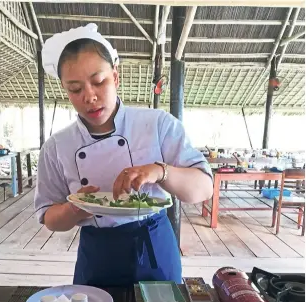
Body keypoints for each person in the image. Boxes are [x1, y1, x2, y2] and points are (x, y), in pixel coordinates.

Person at [35, 24, 213, 287]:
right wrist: (75, 208)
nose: (90, 96)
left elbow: (203, 189)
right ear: (65, 90)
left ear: (115, 78)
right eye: (75, 89)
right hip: (97, 252)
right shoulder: (57, 146)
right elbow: (49, 217)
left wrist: (160, 171)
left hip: (154, 244)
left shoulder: (157, 124)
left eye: (98, 82)